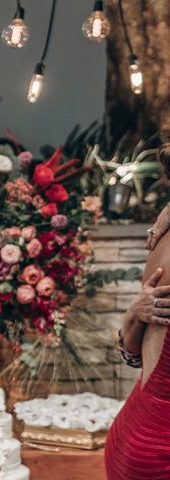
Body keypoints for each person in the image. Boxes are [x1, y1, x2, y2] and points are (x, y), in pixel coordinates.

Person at [105, 144, 170, 479]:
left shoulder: (164, 235)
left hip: (135, 430)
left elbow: (132, 353)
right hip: (159, 451)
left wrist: (132, 315)